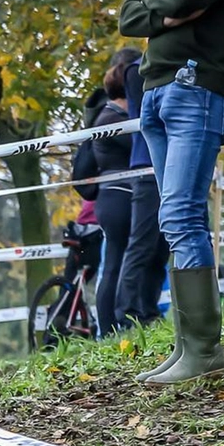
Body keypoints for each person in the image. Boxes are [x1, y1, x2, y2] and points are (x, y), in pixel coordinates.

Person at [119, 0, 224, 383]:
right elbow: (129, 15)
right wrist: (167, 6)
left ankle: (203, 349)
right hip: (156, 90)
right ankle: (188, 345)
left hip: (199, 84)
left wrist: (161, 4)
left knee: (181, 214)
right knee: (175, 219)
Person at [113, 48, 171, 330]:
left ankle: (148, 310)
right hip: (147, 166)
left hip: (162, 165)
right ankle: (126, 313)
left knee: (160, 247)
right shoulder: (137, 71)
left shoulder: (147, 67)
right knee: (142, 243)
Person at [92, 62, 136, 335]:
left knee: (115, 263)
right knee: (114, 264)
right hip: (118, 196)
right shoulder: (112, 120)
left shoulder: (110, 117)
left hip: (113, 197)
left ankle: (110, 327)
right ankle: (108, 328)